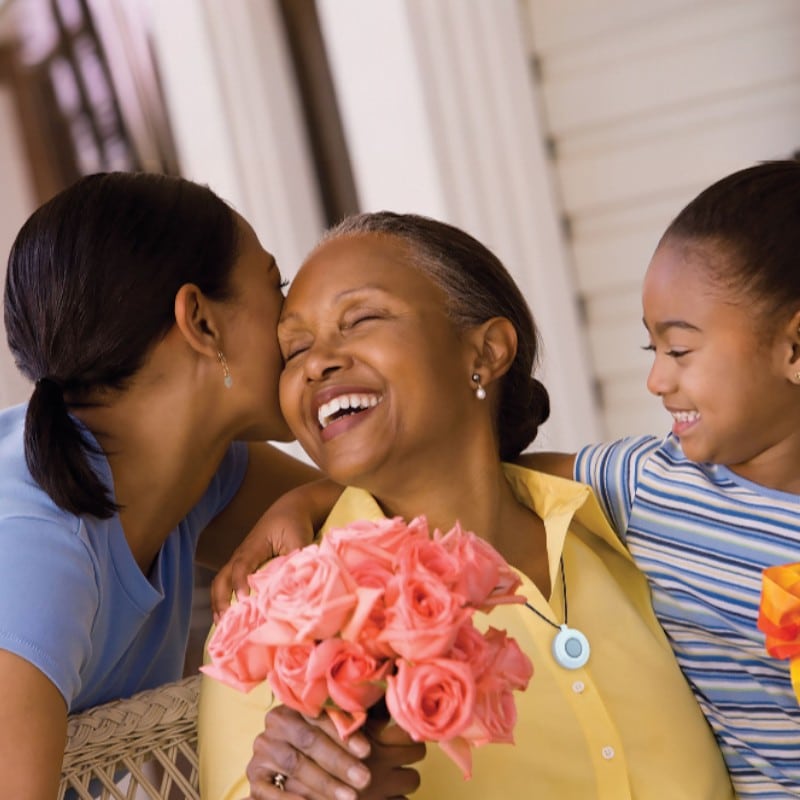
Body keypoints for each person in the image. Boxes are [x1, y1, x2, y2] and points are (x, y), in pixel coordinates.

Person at [216, 160, 800, 799]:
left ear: (487, 351)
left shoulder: (623, 528)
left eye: (360, 320)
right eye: (295, 349)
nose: (318, 361)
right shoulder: (271, 620)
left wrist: (313, 490)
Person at [0, 171, 325, 800]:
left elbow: (405, 523)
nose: (299, 326)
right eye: (277, 289)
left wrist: (306, 498)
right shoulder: (38, 554)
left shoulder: (198, 471)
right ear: (201, 322)